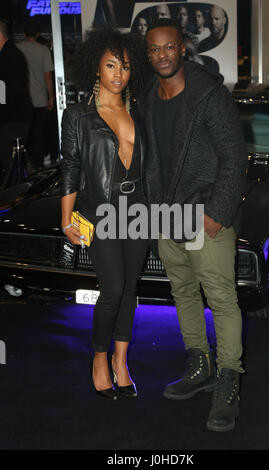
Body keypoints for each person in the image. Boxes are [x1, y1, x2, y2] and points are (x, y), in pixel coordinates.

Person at [141, 19, 247, 432]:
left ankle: (228, 381)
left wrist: (217, 214)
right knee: (183, 293)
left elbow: (234, 160)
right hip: (169, 218)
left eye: (169, 47)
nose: (162, 55)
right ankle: (199, 365)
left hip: (206, 217)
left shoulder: (210, 95)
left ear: (182, 48)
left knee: (220, 300)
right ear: (148, 55)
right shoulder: (148, 98)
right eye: (154, 50)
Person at [60, 28, 149, 400]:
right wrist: (66, 220)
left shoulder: (138, 110)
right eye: (111, 65)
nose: (118, 73)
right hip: (102, 212)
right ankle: (99, 358)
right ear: (97, 67)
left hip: (139, 212)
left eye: (125, 66)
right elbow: (70, 169)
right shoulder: (79, 116)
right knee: (112, 288)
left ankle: (121, 360)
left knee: (129, 290)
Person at [17, 18, 54, 171]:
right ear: (38, 34)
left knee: (24, 134)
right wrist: (51, 96)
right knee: (39, 132)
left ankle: (25, 163)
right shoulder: (43, 50)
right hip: (39, 98)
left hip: (22, 99)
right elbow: (47, 77)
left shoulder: (16, 49)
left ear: (24, 33)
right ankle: (38, 164)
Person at [0, 18, 33, 185]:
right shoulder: (10, 54)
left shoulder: (8, 56)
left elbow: (7, 90)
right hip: (16, 116)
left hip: (12, 119)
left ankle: (18, 202)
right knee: (14, 163)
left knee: (12, 164)